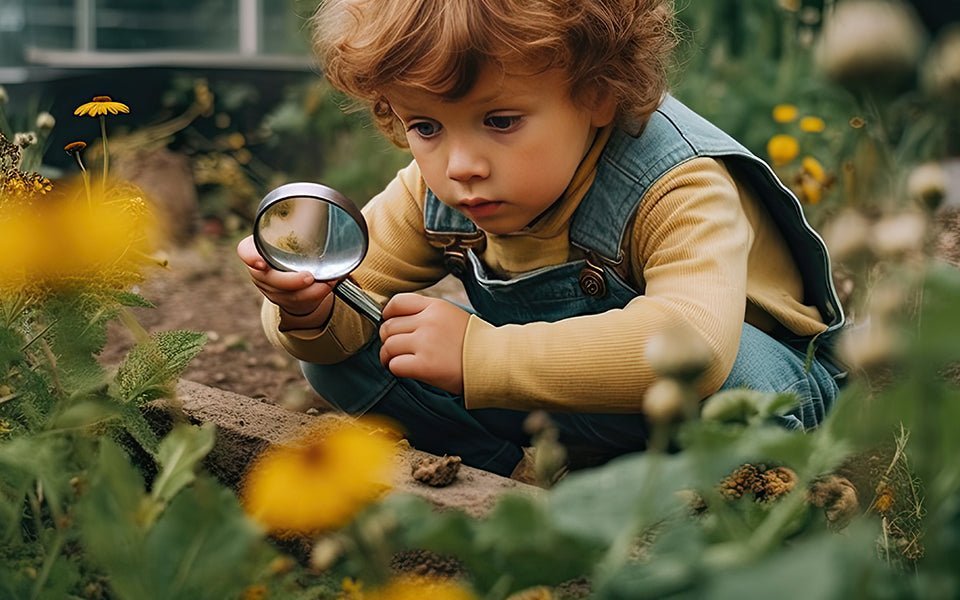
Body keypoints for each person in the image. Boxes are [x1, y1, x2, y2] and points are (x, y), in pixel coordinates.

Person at [237, 0, 846, 478]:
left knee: (742, 380)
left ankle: (698, 492)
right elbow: (348, 293)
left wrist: (482, 356)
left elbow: (695, 349)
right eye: (426, 126)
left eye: (500, 121)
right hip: (576, 403)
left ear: (598, 93)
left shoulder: (677, 184)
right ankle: (509, 477)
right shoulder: (433, 191)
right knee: (353, 355)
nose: (461, 164)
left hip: (730, 399)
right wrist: (305, 308)